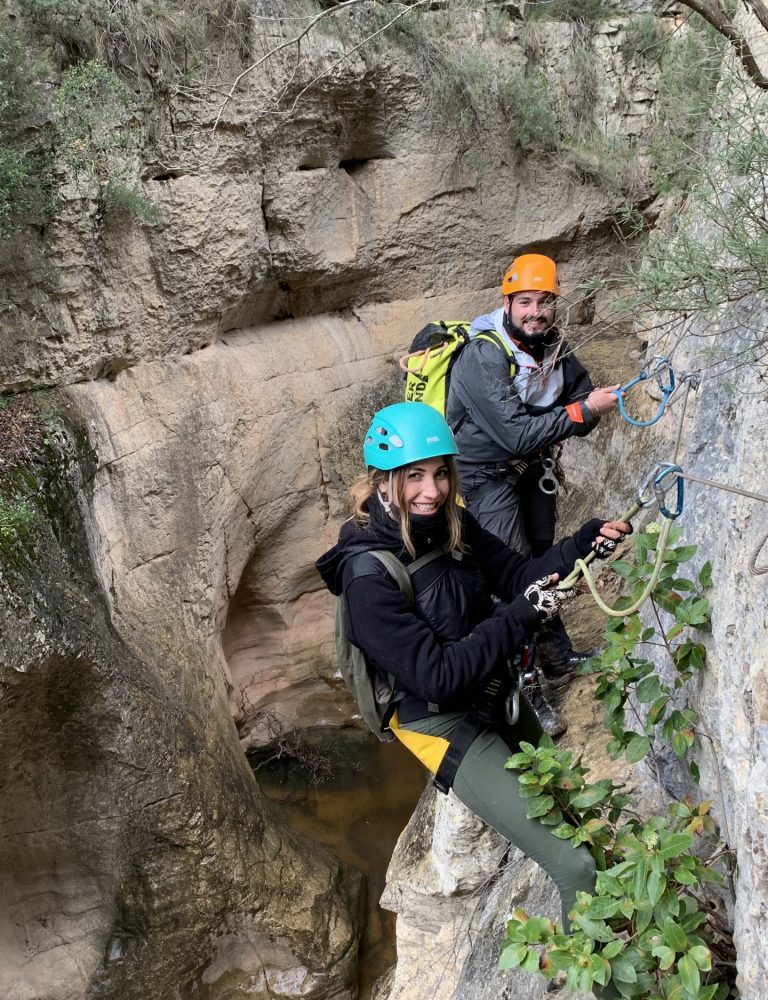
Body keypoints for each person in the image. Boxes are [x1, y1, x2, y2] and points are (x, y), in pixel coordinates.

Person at [315, 401, 631, 942]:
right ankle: (603, 977)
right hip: (439, 722)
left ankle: (625, 921)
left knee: (571, 798)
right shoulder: (368, 576)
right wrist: (520, 617)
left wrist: (584, 542)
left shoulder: (453, 523)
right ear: (383, 481)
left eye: (441, 473)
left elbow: (517, 576)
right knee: (573, 864)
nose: (431, 491)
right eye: (413, 476)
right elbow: (437, 677)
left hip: (487, 683)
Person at [445, 253, 621, 734]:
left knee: (544, 559)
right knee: (515, 578)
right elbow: (516, 434)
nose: (535, 311)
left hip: (530, 469)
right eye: (525, 301)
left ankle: (557, 657)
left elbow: (579, 403)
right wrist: (583, 411)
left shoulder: (553, 347)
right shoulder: (484, 353)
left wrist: (586, 408)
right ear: (507, 302)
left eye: (545, 302)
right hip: (484, 475)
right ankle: (525, 688)